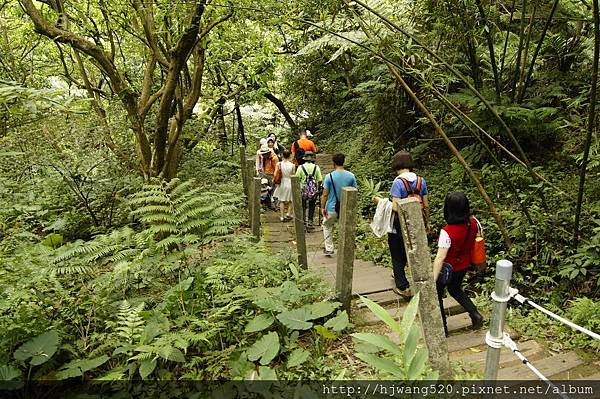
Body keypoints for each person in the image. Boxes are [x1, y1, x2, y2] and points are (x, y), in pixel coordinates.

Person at [433, 192, 484, 336]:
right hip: (464, 266)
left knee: (437, 296)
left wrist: (433, 278)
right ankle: (475, 314)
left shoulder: (447, 232)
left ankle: (442, 329)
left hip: (447, 269)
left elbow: (440, 257)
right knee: (455, 289)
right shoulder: (473, 223)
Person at [387, 151, 430, 298]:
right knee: (412, 249)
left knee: (397, 253)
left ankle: (403, 287)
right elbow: (425, 204)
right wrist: (427, 222)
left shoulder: (398, 182)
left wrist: (382, 203)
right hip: (417, 222)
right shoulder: (420, 181)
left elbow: (395, 207)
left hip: (400, 224)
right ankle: (417, 280)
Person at [320, 153, 357, 256]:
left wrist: (322, 207)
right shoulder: (351, 176)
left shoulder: (329, 176)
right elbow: (355, 191)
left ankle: (329, 248)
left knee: (327, 225)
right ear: (343, 162)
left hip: (331, 207)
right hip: (346, 207)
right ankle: (346, 248)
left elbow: (325, 194)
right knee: (344, 227)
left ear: (334, 163)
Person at [296, 151, 323, 228]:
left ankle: (303, 220)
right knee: (312, 205)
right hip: (313, 190)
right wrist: (318, 187)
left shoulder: (300, 167)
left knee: (303, 205)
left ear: (304, 159)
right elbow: (320, 179)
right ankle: (310, 221)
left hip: (303, 189)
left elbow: (297, 179)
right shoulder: (316, 167)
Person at [273, 150, 295, 222]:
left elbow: (275, 174)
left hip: (282, 182)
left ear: (282, 155)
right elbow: (293, 175)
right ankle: (288, 213)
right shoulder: (292, 165)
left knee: (282, 200)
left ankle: (282, 216)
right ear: (289, 156)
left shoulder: (279, 164)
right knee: (291, 200)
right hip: (289, 182)